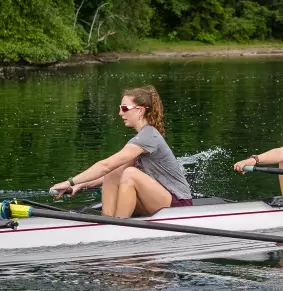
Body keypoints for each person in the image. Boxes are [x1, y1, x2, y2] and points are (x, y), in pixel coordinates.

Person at [50, 86, 194, 217]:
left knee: (130, 174)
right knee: (113, 173)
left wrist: (69, 181)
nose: (120, 113)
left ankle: (117, 227)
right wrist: (80, 185)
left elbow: (105, 165)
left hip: (178, 205)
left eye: (124, 108)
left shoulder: (148, 136)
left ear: (140, 110)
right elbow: (111, 170)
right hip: (156, 200)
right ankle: (107, 219)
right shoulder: (139, 139)